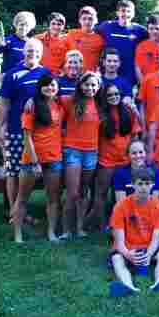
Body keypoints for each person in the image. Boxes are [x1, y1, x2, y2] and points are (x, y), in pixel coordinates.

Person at [0, 38, 50, 220]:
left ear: (41, 54)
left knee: (29, 173)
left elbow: (51, 98)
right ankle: (14, 213)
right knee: (13, 172)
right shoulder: (12, 74)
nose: (32, 53)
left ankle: (22, 210)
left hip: (40, 134)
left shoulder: (45, 74)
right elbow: (3, 104)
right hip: (15, 131)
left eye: (36, 51)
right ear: (23, 52)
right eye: (29, 50)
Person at [12, 74, 64, 242]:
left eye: (53, 85)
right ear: (40, 87)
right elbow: (27, 137)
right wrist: (35, 162)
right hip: (31, 160)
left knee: (53, 198)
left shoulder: (59, 105)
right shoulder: (32, 106)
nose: (50, 88)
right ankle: (18, 234)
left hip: (54, 159)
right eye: (46, 85)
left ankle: (51, 232)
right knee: (22, 198)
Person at [108, 168, 159, 297]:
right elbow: (119, 241)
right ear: (132, 185)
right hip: (127, 248)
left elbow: (156, 238)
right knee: (116, 258)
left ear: (152, 185)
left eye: (147, 183)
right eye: (140, 184)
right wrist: (128, 254)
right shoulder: (121, 206)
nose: (143, 187)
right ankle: (128, 286)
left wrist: (148, 255)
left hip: (149, 247)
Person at [88, 83, 142, 230]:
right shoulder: (100, 114)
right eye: (110, 95)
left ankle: (124, 222)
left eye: (116, 94)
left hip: (125, 160)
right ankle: (101, 224)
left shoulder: (128, 111)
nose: (114, 97)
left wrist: (135, 155)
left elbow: (135, 135)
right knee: (101, 193)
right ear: (105, 97)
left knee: (123, 193)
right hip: (106, 161)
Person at [59, 71, 101, 239]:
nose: (90, 88)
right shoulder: (70, 100)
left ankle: (80, 228)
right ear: (80, 85)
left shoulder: (100, 104)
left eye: (93, 85)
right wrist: (32, 100)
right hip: (73, 150)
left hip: (92, 152)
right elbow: (48, 98)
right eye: (86, 84)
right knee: (72, 192)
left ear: (98, 87)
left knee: (84, 191)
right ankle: (66, 230)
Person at [95, 0, 148, 87]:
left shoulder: (140, 30)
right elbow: (89, 33)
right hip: (108, 75)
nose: (125, 14)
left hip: (130, 76)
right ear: (117, 13)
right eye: (123, 11)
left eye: (128, 11)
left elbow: (156, 35)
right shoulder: (107, 26)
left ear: (133, 14)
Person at [0, 11, 36, 83]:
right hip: (9, 83)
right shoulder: (7, 41)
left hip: (25, 83)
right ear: (16, 25)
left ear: (31, 27)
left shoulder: (31, 43)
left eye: (27, 25)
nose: (24, 28)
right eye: (21, 24)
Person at [66, 6, 105, 73]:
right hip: (71, 75)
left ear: (96, 20)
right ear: (79, 20)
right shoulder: (71, 34)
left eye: (90, 19)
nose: (87, 22)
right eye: (84, 19)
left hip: (89, 78)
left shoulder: (100, 39)